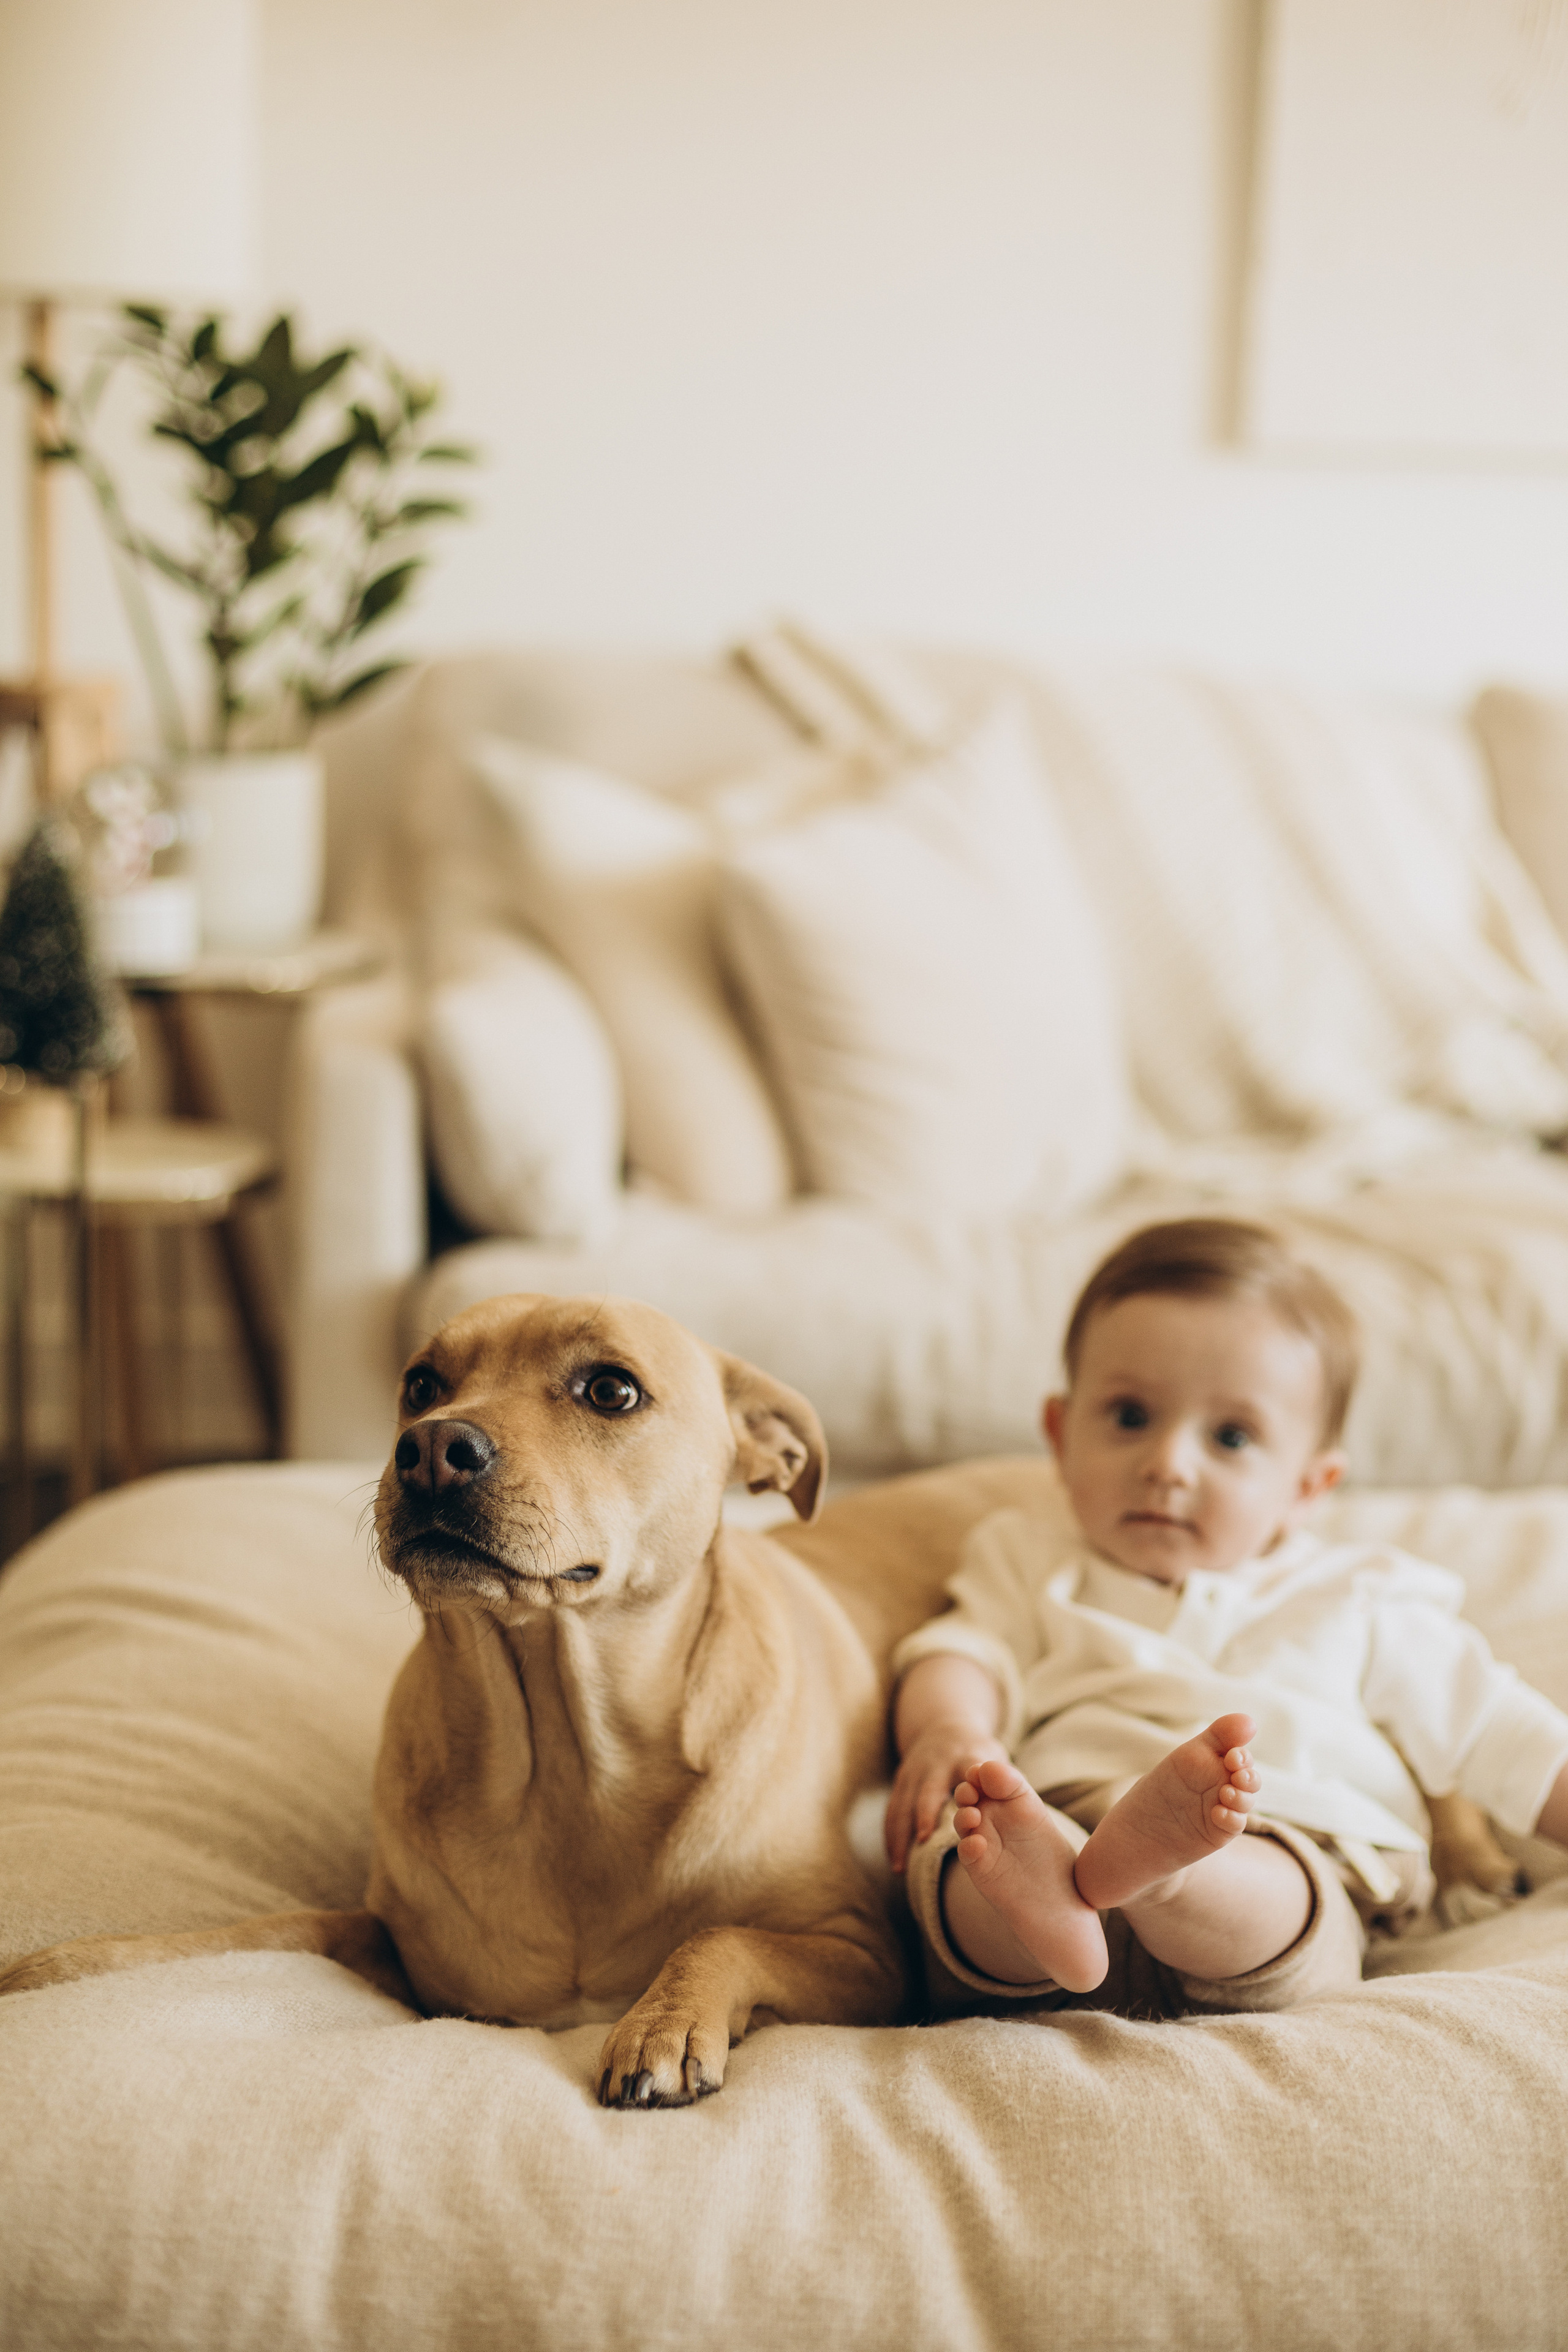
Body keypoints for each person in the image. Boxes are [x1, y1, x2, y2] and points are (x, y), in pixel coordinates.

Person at [884, 1218, 1568, 2016]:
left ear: (1308, 1487)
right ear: (1061, 1437)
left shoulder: (1359, 1594)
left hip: (1285, 1831)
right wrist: (951, 1729)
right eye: (1130, 1416)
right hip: (1063, 1816)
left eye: (1231, 1437)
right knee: (967, 1867)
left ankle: (1171, 1876)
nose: (1167, 1465)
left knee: (1278, 1895)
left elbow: (1499, 1731)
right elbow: (962, 1652)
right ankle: (1047, 1903)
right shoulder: (1029, 1557)